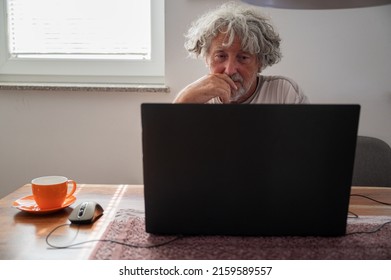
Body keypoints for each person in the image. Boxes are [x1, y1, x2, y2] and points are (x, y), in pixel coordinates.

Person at [173, 2, 309, 104]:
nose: (230, 70)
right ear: (206, 58)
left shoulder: (283, 92)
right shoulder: (196, 98)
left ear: (260, 62)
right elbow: (166, 139)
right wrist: (183, 99)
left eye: (243, 57)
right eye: (221, 56)